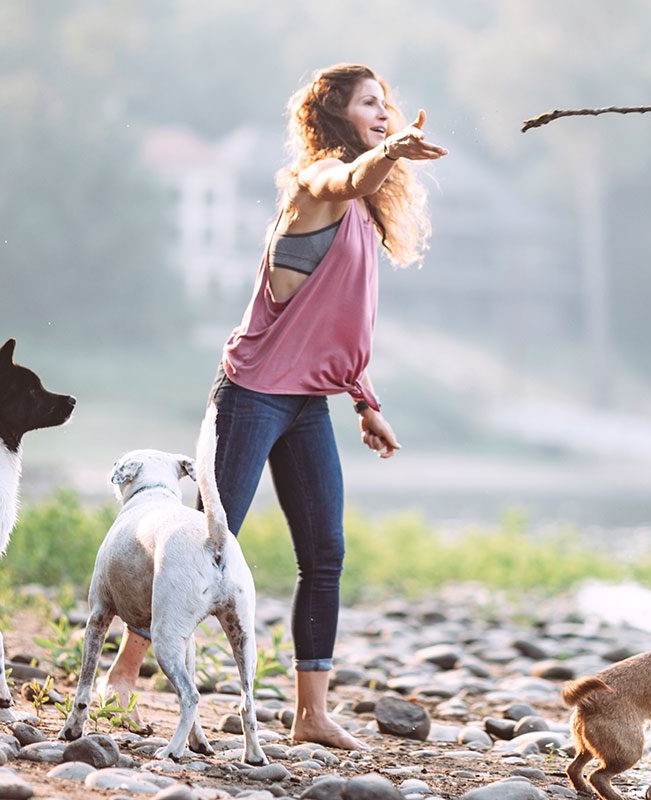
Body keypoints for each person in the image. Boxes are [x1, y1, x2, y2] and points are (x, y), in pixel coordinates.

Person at [103, 63, 447, 751]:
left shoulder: (360, 215)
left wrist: (363, 400)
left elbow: (339, 321)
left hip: (307, 405)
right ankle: (123, 673)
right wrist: (388, 152)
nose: (383, 111)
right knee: (203, 544)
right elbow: (349, 177)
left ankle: (310, 714)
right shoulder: (316, 184)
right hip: (255, 393)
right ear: (335, 116)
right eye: (369, 103)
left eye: (387, 103)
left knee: (324, 553)